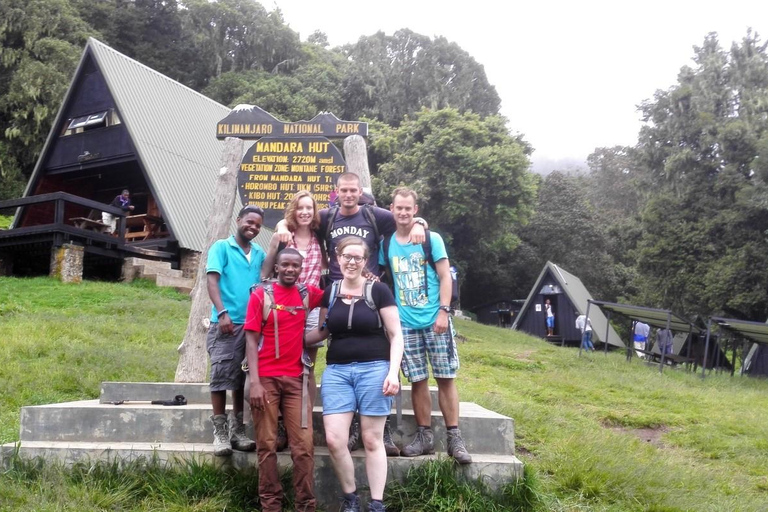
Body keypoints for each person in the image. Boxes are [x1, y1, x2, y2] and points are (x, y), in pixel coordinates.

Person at [276, 172, 425, 455]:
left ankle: (381, 432)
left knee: (377, 353)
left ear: (359, 192)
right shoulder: (327, 217)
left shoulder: (373, 215)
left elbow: (404, 216)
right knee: (341, 352)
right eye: (343, 190)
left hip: (370, 294)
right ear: (336, 192)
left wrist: (419, 221)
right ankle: (352, 425)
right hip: (335, 293)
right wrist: (283, 223)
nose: (348, 195)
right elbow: (299, 216)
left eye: (353, 190)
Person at [305, 236, 404, 512]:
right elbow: (323, 330)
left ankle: (376, 503)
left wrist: (393, 373)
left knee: (372, 439)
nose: (351, 262)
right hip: (337, 371)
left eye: (357, 257)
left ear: (365, 261)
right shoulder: (331, 291)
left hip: (375, 369)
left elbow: (396, 335)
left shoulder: (379, 291)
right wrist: (291, 338)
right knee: (335, 439)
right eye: (346, 256)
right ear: (338, 259)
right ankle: (350, 499)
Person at [379, 187, 471, 464]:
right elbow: (386, 277)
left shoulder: (432, 239)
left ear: (415, 210)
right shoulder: (387, 244)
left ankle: (455, 438)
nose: (404, 212)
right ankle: (424, 436)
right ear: (392, 209)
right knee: (417, 381)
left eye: (409, 208)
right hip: (405, 323)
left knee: (445, 378)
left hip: (435, 320)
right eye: (399, 208)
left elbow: (446, 277)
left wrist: (444, 312)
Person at [245, 248, 324, 512]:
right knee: (266, 445)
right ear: (276, 267)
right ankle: (271, 505)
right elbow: (251, 339)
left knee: (303, 447)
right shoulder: (260, 295)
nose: (290, 270)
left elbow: (335, 296)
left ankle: (306, 505)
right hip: (265, 380)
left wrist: (323, 329)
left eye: (295, 266)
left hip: (297, 382)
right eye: (285, 265)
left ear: (301, 269)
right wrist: (254, 382)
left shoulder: (307, 294)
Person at [261, 191, 327, 451]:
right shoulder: (283, 234)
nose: (305, 212)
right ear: (293, 210)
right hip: (282, 304)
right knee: (279, 363)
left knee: (307, 365)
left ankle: (302, 420)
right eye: (300, 208)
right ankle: (279, 422)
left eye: (309, 208)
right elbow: (266, 270)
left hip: (309, 304)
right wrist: (277, 234)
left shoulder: (319, 237)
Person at [205, 205, 265, 456]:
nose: (252, 227)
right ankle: (219, 433)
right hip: (227, 323)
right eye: (249, 222)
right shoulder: (221, 247)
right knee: (221, 375)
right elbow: (212, 280)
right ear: (239, 220)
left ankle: (237, 430)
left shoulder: (259, 252)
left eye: (258, 225)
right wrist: (222, 313)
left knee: (240, 379)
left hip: (252, 325)